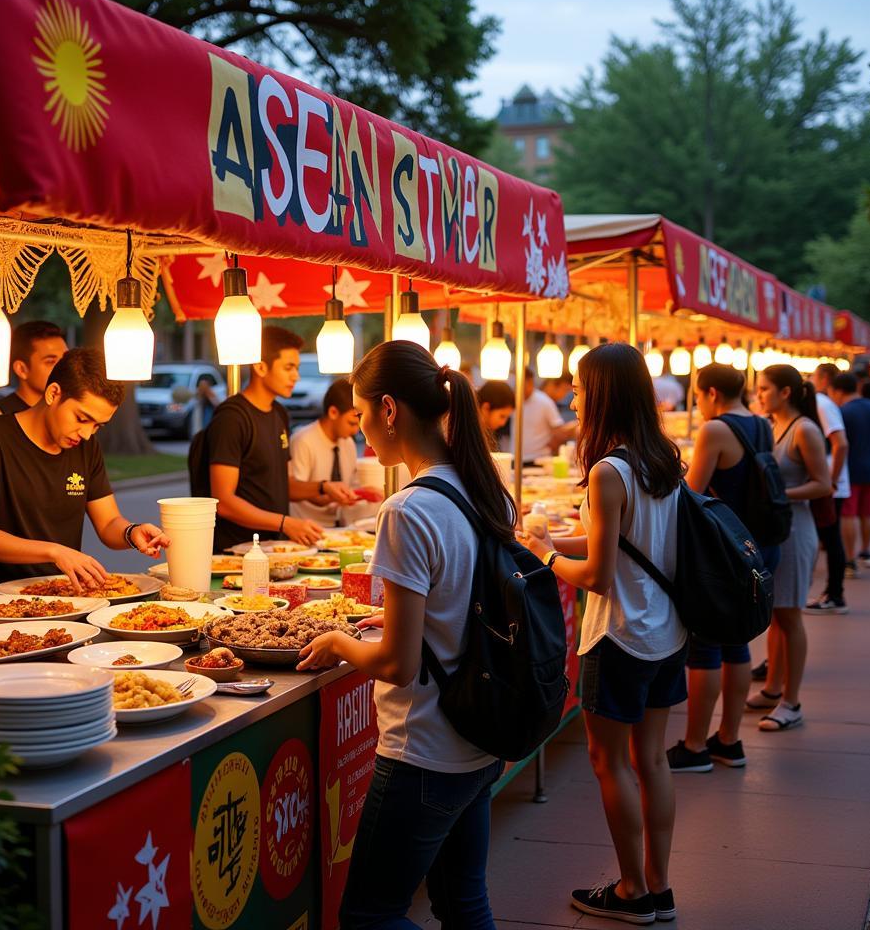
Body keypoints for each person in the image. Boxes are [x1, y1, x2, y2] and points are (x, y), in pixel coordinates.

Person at [297, 341, 508, 928]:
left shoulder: (407, 509)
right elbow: (459, 601)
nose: (361, 431)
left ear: (389, 410)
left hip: (425, 750)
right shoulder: (478, 483)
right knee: (464, 903)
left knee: (369, 916)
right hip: (479, 737)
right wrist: (394, 619)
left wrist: (338, 642)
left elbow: (397, 664)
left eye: (363, 414)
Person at [522, 342, 687, 926]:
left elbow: (597, 572)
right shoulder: (660, 458)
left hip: (619, 636)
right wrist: (543, 542)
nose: (572, 396)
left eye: (579, 386)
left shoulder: (607, 470)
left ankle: (630, 891)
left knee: (608, 760)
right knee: (653, 761)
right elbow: (621, 544)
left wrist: (543, 557)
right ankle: (659, 887)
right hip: (666, 632)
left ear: (604, 394)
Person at [0, 348, 170, 596]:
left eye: (98, 425)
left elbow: (108, 522)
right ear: (54, 393)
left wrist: (131, 532)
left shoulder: (86, 446)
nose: (86, 434)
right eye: (81, 418)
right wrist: (55, 551)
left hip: (60, 600)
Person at [666, 364, 780, 773]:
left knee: (707, 645)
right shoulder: (760, 423)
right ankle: (729, 740)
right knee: (737, 642)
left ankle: (695, 745)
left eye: (697, 395)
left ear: (711, 392)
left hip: (723, 554)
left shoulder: (715, 429)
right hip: (755, 548)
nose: (698, 402)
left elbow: (690, 493)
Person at [190, 326, 357, 552]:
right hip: (236, 550)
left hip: (274, 547)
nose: (296, 376)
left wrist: (324, 488)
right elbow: (224, 502)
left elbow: (284, 484)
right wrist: (285, 523)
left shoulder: (280, 414)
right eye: (289, 368)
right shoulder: (232, 418)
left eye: (296, 368)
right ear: (260, 366)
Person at [746, 365, 831, 730]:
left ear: (785, 392)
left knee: (790, 615)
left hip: (796, 530)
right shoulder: (771, 425)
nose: (759, 394)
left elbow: (823, 484)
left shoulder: (805, 430)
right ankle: (773, 687)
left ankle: (791, 701)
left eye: (764, 389)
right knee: (777, 614)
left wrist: (779, 496)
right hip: (777, 529)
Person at [827, 372, 870, 575]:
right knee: (867, 514)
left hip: (849, 471)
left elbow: (837, 444)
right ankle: (866, 552)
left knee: (848, 515)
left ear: (837, 391)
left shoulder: (841, 411)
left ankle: (849, 559)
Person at [290, 379, 379, 526]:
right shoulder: (303, 440)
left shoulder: (348, 443)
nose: (355, 430)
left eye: (358, 425)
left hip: (339, 524)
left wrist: (362, 492)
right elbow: (298, 490)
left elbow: (350, 484)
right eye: (351, 423)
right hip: (307, 525)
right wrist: (333, 494)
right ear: (333, 412)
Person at [812, 363, 851, 602]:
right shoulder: (823, 403)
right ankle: (833, 594)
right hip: (829, 484)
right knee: (829, 537)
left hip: (830, 486)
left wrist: (831, 482)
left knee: (830, 538)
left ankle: (835, 595)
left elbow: (841, 443)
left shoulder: (822, 404)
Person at [0, 320, 68, 418]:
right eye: (50, 361)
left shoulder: (67, 411)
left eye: (65, 359)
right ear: (21, 369)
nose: (63, 367)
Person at [520, 367, 575, 462]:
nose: (565, 395)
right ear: (553, 385)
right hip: (537, 459)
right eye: (565, 390)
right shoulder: (546, 401)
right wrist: (577, 424)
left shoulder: (534, 398)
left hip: (523, 457)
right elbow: (560, 434)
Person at [476, 381, 515, 448]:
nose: (503, 423)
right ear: (486, 408)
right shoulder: (469, 431)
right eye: (502, 416)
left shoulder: (485, 432)